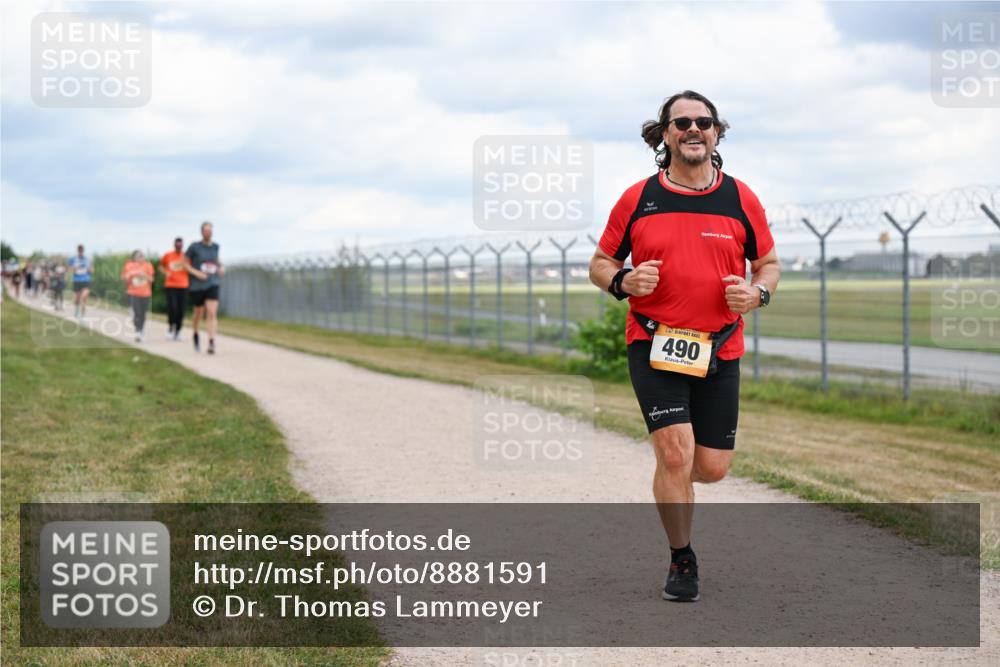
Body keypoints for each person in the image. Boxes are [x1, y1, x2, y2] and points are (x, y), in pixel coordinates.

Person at [589, 90, 780, 603]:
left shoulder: (741, 199)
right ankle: (682, 558)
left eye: (704, 121)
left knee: (711, 467)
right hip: (654, 345)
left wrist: (757, 293)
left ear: (717, 132)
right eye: (682, 123)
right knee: (675, 454)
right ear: (666, 134)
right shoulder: (638, 198)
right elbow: (600, 263)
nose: (693, 129)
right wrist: (622, 282)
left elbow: (769, 264)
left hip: (720, 348)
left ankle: (674, 474)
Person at [185, 221, 224, 354]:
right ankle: (195, 333)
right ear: (202, 232)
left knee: (212, 312)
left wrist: (221, 267)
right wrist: (197, 273)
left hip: (212, 282)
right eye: (206, 230)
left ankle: (211, 342)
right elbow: (185, 264)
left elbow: (216, 260)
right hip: (197, 285)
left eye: (210, 230)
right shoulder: (194, 247)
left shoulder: (216, 247)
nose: (209, 233)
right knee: (198, 314)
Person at [159, 237, 190, 341]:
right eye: (177, 245)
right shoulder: (168, 255)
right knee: (173, 307)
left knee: (181, 310)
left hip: (183, 285)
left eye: (180, 245)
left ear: (182, 246)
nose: (179, 247)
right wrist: (165, 272)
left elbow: (191, 269)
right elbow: (161, 267)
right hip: (171, 285)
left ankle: (178, 331)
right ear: (174, 245)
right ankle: (170, 328)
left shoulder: (186, 257)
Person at [121, 250, 154, 342]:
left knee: (143, 314)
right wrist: (130, 274)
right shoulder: (129, 265)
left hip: (146, 293)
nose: (141, 257)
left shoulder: (148, 266)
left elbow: (151, 279)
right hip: (133, 292)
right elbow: (123, 277)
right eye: (139, 256)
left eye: (142, 256)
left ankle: (141, 329)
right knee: (137, 312)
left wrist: (145, 275)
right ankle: (137, 331)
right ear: (134, 257)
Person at [67, 245, 93, 319]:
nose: (81, 251)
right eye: (79, 250)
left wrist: (89, 270)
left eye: (82, 250)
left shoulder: (87, 259)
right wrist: (74, 268)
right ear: (78, 251)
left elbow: (92, 270)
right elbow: (68, 267)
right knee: (77, 298)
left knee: (84, 297)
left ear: (83, 251)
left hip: (86, 280)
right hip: (77, 280)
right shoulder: (73, 259)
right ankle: (77, 310)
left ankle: (82, 316)